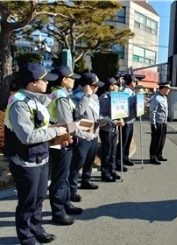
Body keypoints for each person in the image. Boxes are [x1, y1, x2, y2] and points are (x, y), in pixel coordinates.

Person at [4, 63, 68, 245]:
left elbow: (43, 128)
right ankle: (26, 236)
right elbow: (28, 136)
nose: (48, 84)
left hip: (40, 158)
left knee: (39, 198)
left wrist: (58, 130)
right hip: (25, 162)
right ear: (32, 83)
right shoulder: (19, 104)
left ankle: (37, 228)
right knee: (27, 202)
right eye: (44, 80)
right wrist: (57, 132)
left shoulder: (34, 100)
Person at [47, 66, 83, 226]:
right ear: (64, 79)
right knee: (60, 178)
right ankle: (58, 211)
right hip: (61, 140)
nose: (74, 80)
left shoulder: (61, 94)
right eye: (71, 77)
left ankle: (66, 203)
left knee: (64, 175)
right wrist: (88, 128)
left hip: (63, 139)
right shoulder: (60, 97)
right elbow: (68, 124)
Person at [69, 73, 105, 202]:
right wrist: (86, 96)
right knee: (77, 164)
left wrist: (100, 121)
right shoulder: (74, 97)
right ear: (86, 86)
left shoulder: (95, 97)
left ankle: (86, 180)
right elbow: (77, 115)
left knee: (89, 160)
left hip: (93, 133)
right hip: (81, 135)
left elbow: (95, 115)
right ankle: (72, 189)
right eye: (94, 86)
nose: (97, 89)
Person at [99, 77, 125, 182]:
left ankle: (112, 170)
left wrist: (121, 117)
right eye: (116, 84)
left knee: (113, 152)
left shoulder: (116, 97)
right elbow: (102, 116)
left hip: (114, 130)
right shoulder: (104, 98)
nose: (118, 86)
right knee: (107, 153)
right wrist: (115, 122)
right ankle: (105, 173)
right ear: (111, 86)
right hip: (107, 129)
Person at [116, 74, 137, 169]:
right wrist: (135, 98)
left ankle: (125, 157)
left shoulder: (132, 91)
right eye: (134, 81)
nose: (135, 82)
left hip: (131, 121)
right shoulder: (125, 92)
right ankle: (119, 161)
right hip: (125, 121)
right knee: (123, 142)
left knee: (128, 141)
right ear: (130, 82)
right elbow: (125, 105)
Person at [149, 81, 171, 165]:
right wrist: (153, 124)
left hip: (163, 122)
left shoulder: (164, 97)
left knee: (161, 140)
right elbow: (152, 111)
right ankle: (153, 156)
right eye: (168, 88)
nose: (169, 90)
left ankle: (159, 154)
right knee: (156, 141)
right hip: (157, 122)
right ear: (163, 88)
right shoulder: (156, 98)